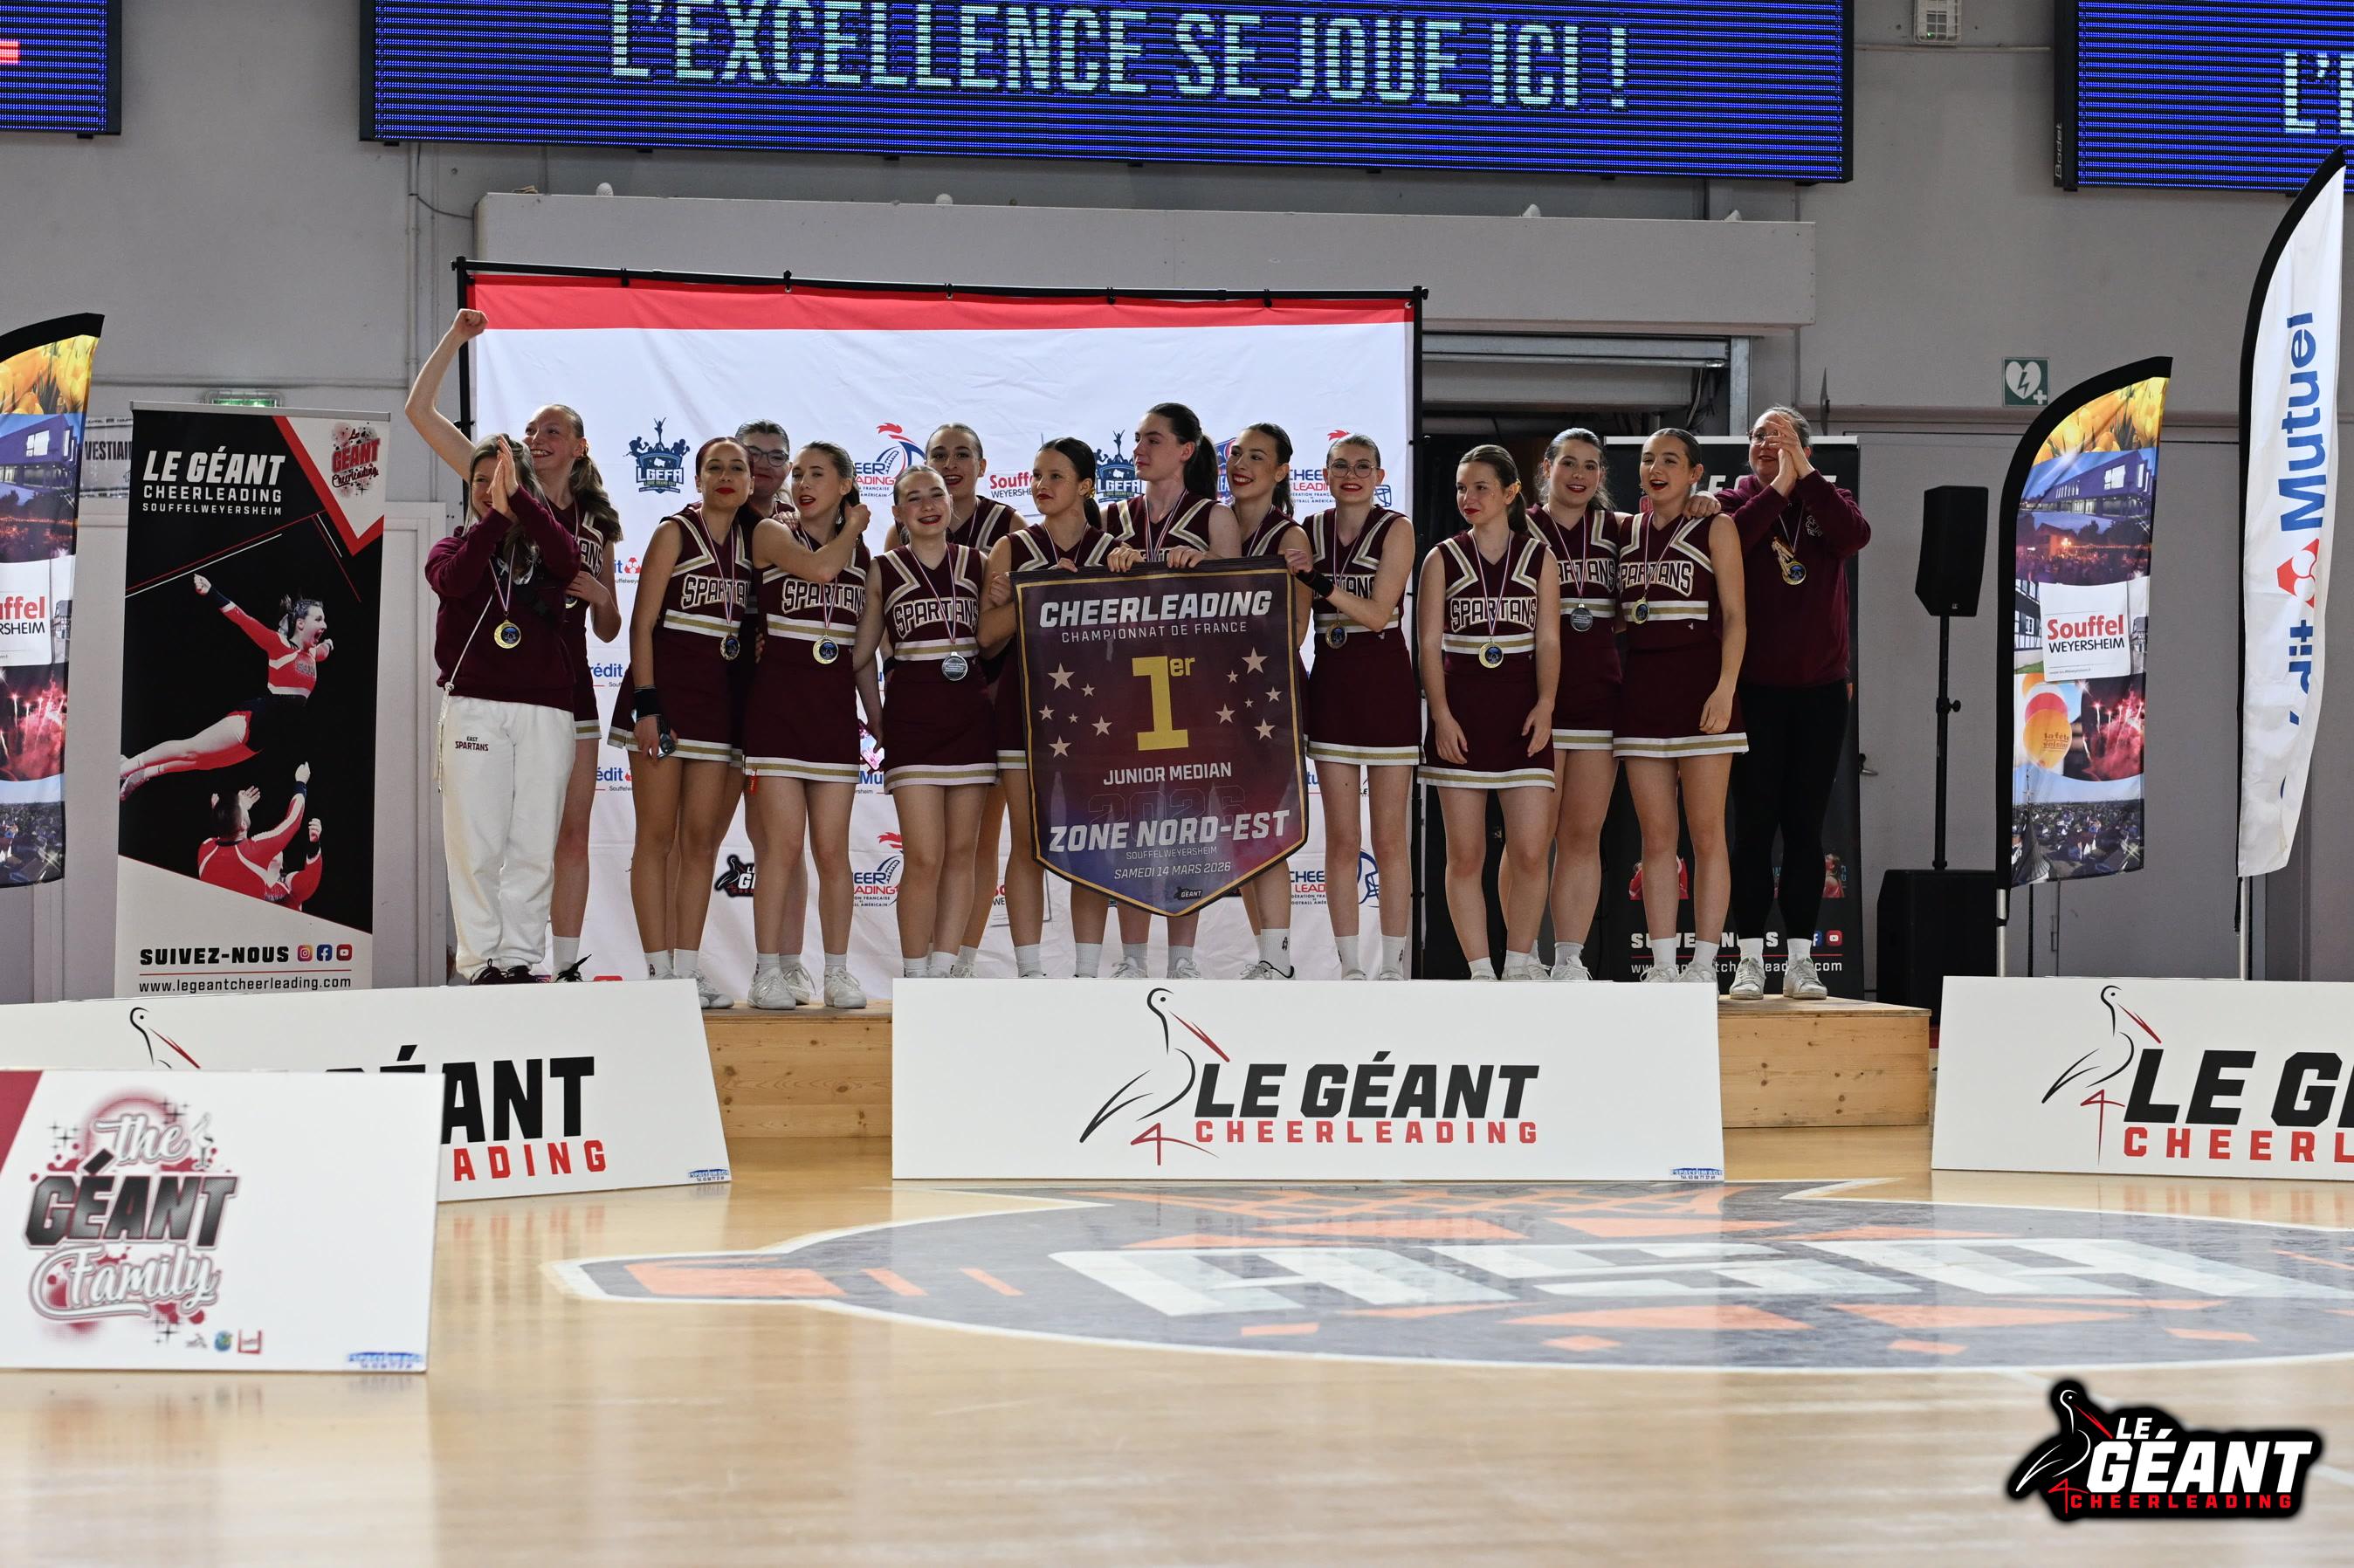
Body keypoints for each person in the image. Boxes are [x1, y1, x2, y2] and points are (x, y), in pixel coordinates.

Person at [404, 308, 624, 982]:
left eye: (551, 430)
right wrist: (456, 338)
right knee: (485, 834)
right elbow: (421, 413)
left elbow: (609, 623)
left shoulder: (594, 523)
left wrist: (602, 599)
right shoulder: (499, 485)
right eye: (530, 431)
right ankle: (485, 961)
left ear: (580, 446)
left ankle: (557, 962)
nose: (536, 438)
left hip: (564, 687)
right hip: (492, 684)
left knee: (560, 832)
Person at [611, 437, 850, 1008]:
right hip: (666, 701)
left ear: (751, 482)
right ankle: (657, 971)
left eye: (737, 468)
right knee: (656, 838)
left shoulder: (758, 538)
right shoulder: (675, 531)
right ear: (697, 479)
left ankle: (686, 970)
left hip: (720, 707)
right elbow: (642, 625)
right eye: (714, 467)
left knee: (700, 844)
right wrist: (647, 704)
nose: (726, 475)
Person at [1718, 407, 1866, 1001]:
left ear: (1805, 449)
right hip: (1753, 690)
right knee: (1753, 828)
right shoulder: (1730, 503)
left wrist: (1803, 479)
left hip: (1820, 692)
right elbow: (1734, 544)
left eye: (1779, 437)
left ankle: (1801, 961)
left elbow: (1853, 537)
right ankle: (1750, 960)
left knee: (1805, 827)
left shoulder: (1830, 499)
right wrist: (1780, 486)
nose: (1765, 443)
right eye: (1758, 435)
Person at [425, 435, 583, 983]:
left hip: (546, 708)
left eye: (502, 480)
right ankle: (477, 962)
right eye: (480, 482)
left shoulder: (548, 547)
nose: (490, 490)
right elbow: (456, 582)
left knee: (534, 842)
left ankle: (518, 958)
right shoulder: (450, 548)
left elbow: (569, 559)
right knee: (476, 841)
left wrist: (521, 503)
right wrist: (497, 515)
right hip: (474, 706)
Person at [1098, 402, 1242, 978]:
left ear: (1185, 450)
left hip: (1192, 691)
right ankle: (1133, 959)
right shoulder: (1112, 517)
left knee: (1188, 825)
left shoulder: (1214, 517)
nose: (1139, 449)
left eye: (1153, 439)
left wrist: (1206, 566)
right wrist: (1109, 566)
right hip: (1127, 691)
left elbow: (1240, 610)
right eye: (1137, 439)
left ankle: (1182, 959)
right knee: (1132, 824)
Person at [978, 438, 1121, 978]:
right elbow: (986, 638)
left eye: (1056, 476)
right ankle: (1030, 971)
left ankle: (1087, 973)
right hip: (1026, 707)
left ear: (1085, 486)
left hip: (1097, 715)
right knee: (1028, 843)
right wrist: (1036, 592)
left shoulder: (1115, 551)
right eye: (1037, 474)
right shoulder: (1012, 548)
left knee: (1093, 843)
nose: (1041, 485)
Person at [742, 442, 876, 1012]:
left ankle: (838, 972)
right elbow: (822, 568)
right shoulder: (773, 533)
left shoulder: (864, 558)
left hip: (832, 717)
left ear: (845, 484)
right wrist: (855, 528)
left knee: (832, 851)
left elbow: (862, 654)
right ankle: (767, 971)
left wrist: (879, 720)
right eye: (798, 473)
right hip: (777, 712)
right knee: (782, 847)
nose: (801, 483)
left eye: (817, 474)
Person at [1418, 445, 1559, 981]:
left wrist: (1546, 704)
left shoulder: (1539, 557)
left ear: (1510, 492)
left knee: (1530, 852)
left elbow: (1549, 640)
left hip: (1523, 713)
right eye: (1462, 488)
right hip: (1463, 714)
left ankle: (1519, 964)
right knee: (1465, 855)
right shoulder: (1441, 557)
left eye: (1481, 487)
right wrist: (1441, 715)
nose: (1469, 497)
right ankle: (1480, 972)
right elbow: (1427, 644)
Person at [1617, 428, 1748, 986]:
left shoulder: (1717, 525)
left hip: (1702, 691)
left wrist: (1725, 688)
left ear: (1695, 473)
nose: (1656, 468)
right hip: (1643, 691)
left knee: (1707, 832)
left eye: (1670, 460)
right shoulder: (1624, 531)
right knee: (1656, 838)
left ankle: (1704, 964)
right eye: (1648, 459)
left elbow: (1737, 617)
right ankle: (1664, 964)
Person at [1296, 434, 1418, 980]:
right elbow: (1298, 614)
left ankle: (1391, 967)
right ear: (1324, 474)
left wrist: (1317, 580)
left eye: (1363, 467)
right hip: (1334, 687)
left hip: (1386, 686)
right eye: (1341, 466)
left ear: (1379, 476)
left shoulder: (1397, 528)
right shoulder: (1308, 530)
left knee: (1389, 840)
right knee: (1343, 840)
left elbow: (1377, 613)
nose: (1351, 475)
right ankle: (1349, 969)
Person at [873, 465, 996, 979]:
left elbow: (995, 639)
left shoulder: (980, 563)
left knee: (962, 853)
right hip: (913, 721)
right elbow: (864, 655)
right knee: (924, 856)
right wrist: (877, 718)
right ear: (898, 512)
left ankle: (945, 970)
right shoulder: (881, 569)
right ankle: (914, 973)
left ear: (951, 502)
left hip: (970, 721)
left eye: (936, 495)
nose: (927, 505)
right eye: (914, 498)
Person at [926, 422, 1029, 977]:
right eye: (940, 455)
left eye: (962, 454)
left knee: (979, 840)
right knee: (929, 845)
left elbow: (1023, 619)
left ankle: (961, 959)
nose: (951, 465)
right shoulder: (904, 526)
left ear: (983, 466)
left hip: (990, 689)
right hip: (928, 696)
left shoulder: (1009, 526)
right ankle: (925, 957)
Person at [1528, 430, 1625, 983]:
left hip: (1597, 697)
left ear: (1601, 475)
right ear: (1548, 468)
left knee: (1583, 836)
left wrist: (1701, 501)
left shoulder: (1619, 530)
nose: (1579, 475)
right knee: (1529, 842)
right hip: (1532, 701)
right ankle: (1522, 955)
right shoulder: (1518, 528)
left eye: (1591, 466)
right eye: (1569, 463)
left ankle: (1569, 958)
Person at [1225, 422, 1311, 979]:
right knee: (1240, 830)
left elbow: (1295, 630)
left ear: (1280, 471)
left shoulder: (1290, 536)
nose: (1242, 464)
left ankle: (1277, 960)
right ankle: (1269, 958)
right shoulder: (1211, 524)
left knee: (1266, 825)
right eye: (1236, 454)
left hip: (1269, 696)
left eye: (1257, 457)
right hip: (1215, 696)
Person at [119, 578, 331, 798]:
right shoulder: (279, 645)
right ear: (300, 624)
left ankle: (143, 773)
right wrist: (212, 592)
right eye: (319, 619)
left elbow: (324, 651)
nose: (324, 625)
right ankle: (126, 766)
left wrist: (329, 644)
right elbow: (243, 619)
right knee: (189, 749)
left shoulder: (313, 654)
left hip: (264, 738)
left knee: (200, 763)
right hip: (250, 721)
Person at [197, 763, 314, 906]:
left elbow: (226, 840)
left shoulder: (205, 849)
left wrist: (221, 811)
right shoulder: (256, 852)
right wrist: (301, 783)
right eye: (243, 808)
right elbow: (293, 821)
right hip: (248, 919)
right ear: (243, 825)